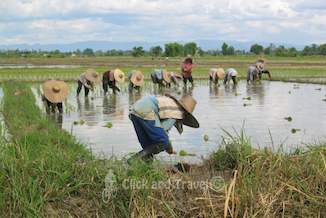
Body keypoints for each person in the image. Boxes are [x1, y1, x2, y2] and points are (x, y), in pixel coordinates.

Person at [127, 94, 200, 163]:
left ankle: (146, 168)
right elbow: (164, 130)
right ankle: (134, 160)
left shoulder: (171, 104)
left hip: (134, 110)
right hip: (146, 110)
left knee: (148, 145)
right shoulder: (177, 111)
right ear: (186, 113)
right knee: (163, 142)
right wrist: (168, 146)